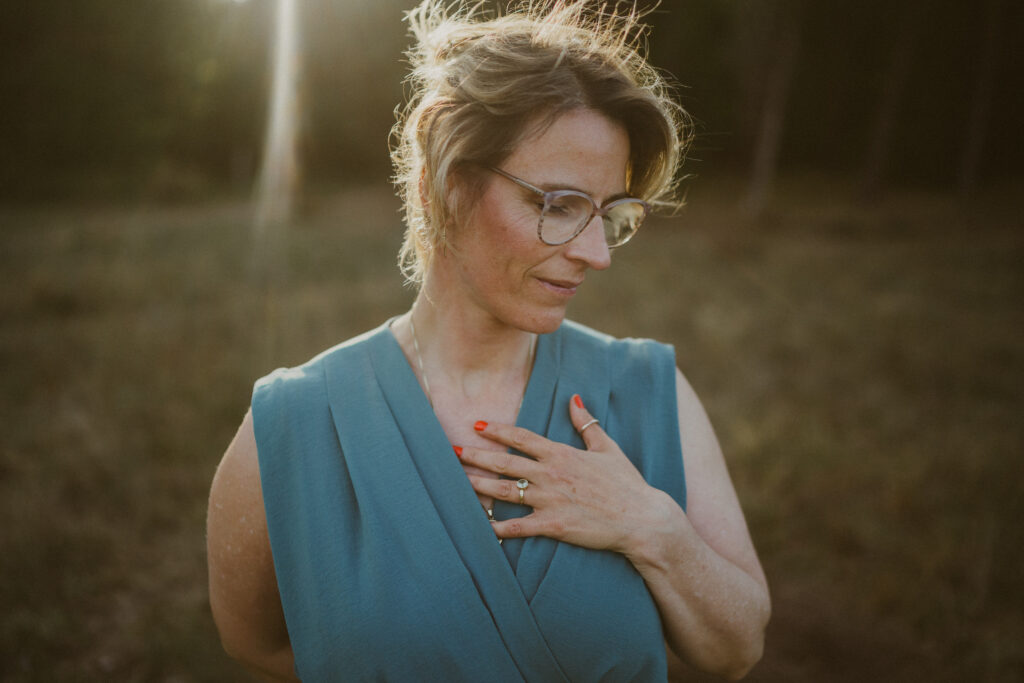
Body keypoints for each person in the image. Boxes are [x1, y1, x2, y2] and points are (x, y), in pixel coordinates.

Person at [207, 1, 770, 681]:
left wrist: (650, 525)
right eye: (559, 205)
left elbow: (739, 648)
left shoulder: (651, 392)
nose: (597, 253)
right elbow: (255, 644)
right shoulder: (293, 425)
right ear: (447, 186)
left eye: (610, 215)